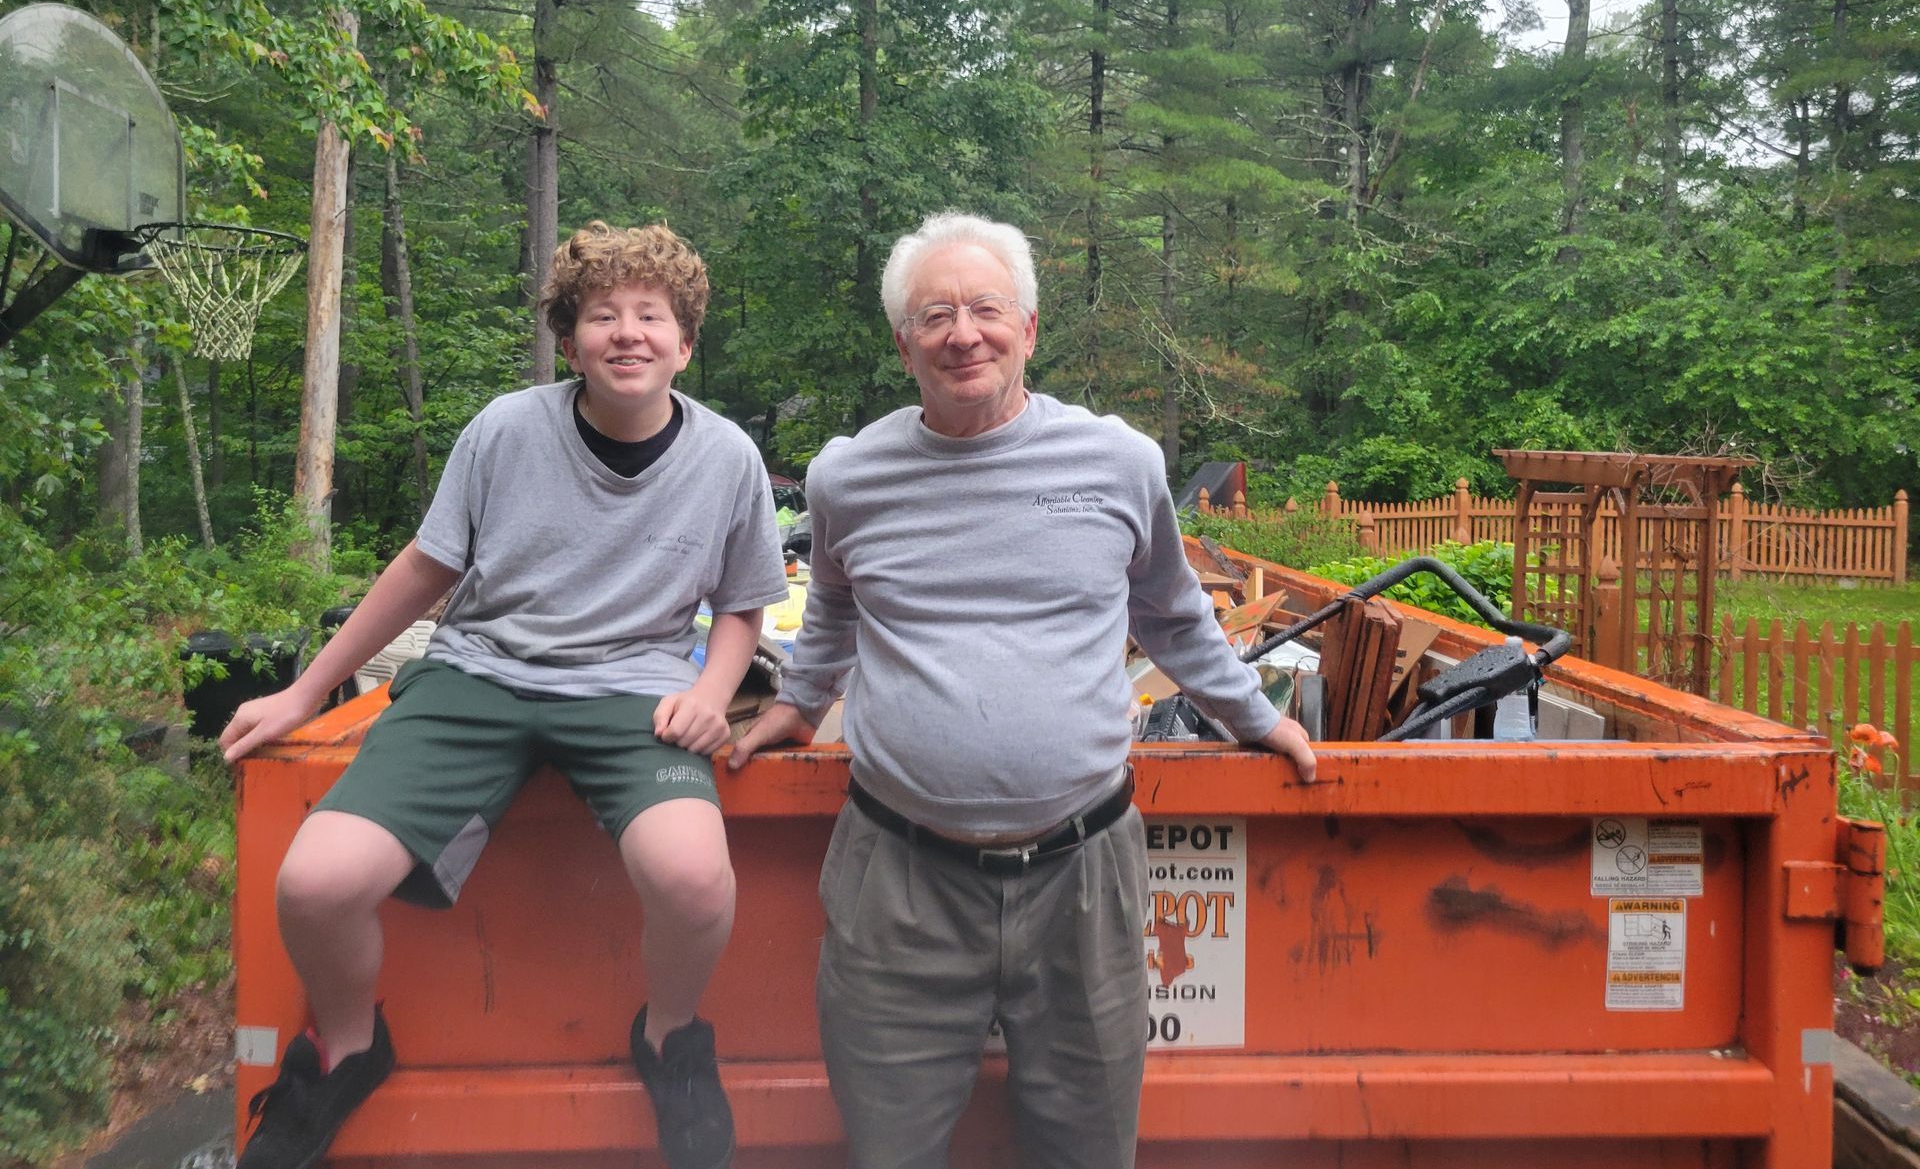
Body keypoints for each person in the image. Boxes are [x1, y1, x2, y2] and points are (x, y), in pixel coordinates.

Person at [730, 212, 1316, 1169]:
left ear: (1030, 329)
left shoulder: (1118, 462)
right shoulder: (849, 476)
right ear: (902, 341)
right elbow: (833, 608)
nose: (964, 332)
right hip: (900, 883)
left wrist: (1255, 719)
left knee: (1088, 1153)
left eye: (986, 309)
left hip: (1084, 877)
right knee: (890, 1153)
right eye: (936, 314)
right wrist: (797, 703)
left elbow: (1172, 615)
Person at [221, 221, 788, 1169]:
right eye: (602, 315)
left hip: (633, 687)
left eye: (652, 315)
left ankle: (672, 1039)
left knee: (694, 881)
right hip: (478, 674)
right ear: (570, 342)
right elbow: (424, 567)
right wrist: (308, 690)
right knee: (315, 883)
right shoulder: (505, 429)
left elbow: (742, 608)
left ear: (685, 343)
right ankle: (350, 1046)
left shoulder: (728, 459)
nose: (628, 333)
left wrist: (714, 687)